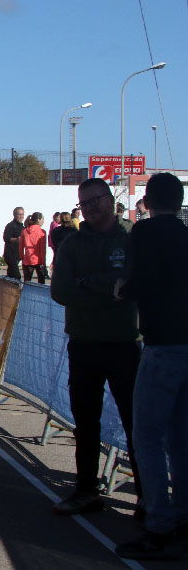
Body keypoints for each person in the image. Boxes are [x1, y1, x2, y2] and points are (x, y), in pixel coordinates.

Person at [50, 178, 141, 515]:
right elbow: (61, 291)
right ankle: (86, 490)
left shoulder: (132, 237)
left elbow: (135, 282)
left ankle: (147, 498)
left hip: (125, 345)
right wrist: (109, 290)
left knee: (136, 424)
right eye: (83, 202)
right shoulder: (72, 244)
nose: (89, 208)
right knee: (85, 423)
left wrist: (89, 283)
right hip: (85, 344)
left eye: (95, 200)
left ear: (110, 200)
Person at [114, 173, 188, 561]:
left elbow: (140, 279)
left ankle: (159, 523)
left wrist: (122, 288)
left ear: (148, 199)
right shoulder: (185, 233)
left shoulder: (143, 234)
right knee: (180, 436)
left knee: (146, 435)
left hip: (161, 344)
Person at [19, 212, 47, 284]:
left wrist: (22, 257)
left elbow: (21, 247)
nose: (43, 221)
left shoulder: (24, 231)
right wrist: (44, 263)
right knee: (41, 283)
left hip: (27, 260)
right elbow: (43, 250)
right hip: (39, 260)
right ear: (38, 220)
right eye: (42, 219)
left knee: (27, 282)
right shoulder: (42, 232)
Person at [2, 206, 25, 279]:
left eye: (22, 215)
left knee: (10, 276)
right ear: (14, 215)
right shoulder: (10, 226)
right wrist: (16, 240)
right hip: (10, 255)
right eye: (19, 215)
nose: (21, 216)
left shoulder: (22, 226)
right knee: (17, 276)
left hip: (17, 255)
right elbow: (6, 238)